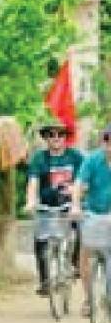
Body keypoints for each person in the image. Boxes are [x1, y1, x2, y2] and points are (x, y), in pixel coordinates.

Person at [25, 119, 86, 295]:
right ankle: (45, 281)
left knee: (80, 229)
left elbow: (84, 180)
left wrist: (77, 191)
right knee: (40, 240)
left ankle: (75, 264)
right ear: (46, 138)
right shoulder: (39, 158)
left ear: (65, 137)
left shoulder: (76, 156)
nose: (56, 137)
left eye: (60, 134)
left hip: (71, 204)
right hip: (47, 206)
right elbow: (33, 181)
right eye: (51, 134)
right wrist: (30, 201)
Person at [71, 123, 111, 313]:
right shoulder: (92, 160)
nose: (109, 145)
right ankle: (88, 298)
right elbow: (79, 183)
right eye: (107, 140)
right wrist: (76, 205)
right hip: (93, 212)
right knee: (85, 253)